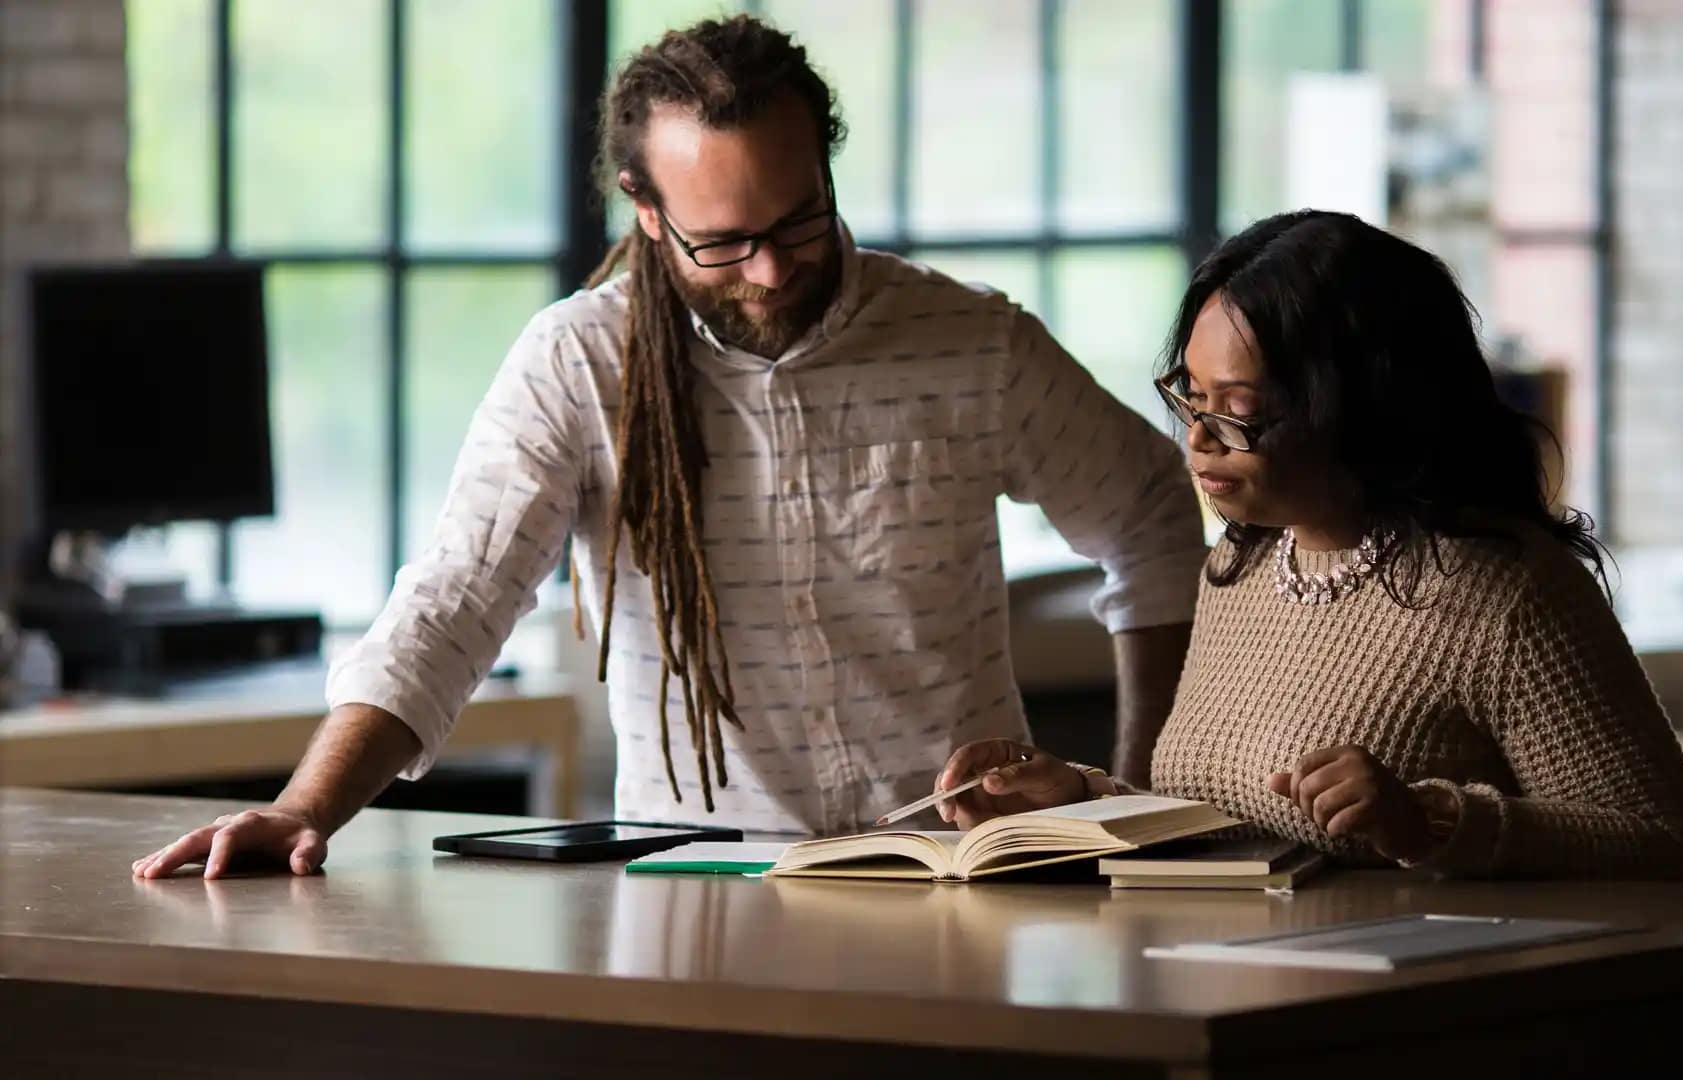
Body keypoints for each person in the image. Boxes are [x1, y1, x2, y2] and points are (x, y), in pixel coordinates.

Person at [133, 16, 1202, 879]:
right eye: (724, 244)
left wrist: (1131, 796)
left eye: (796, 225)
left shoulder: (974, 340)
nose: (771, 272)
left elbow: (1154, 517)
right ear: (646, 211)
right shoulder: (576, 364)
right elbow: (454, 603)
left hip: (961, 877)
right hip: (697, 887)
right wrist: (303, 807)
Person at [936, 210, 1683, 881]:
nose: (1199, 440)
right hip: (1213, 983)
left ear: (1362, 408)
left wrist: (1429, 823)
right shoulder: (1243, 566)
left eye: (1238, 410)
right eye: (1191, 399)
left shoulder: (1503, 592)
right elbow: (1219, 823)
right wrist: (1078, 798)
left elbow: (1661, 842)